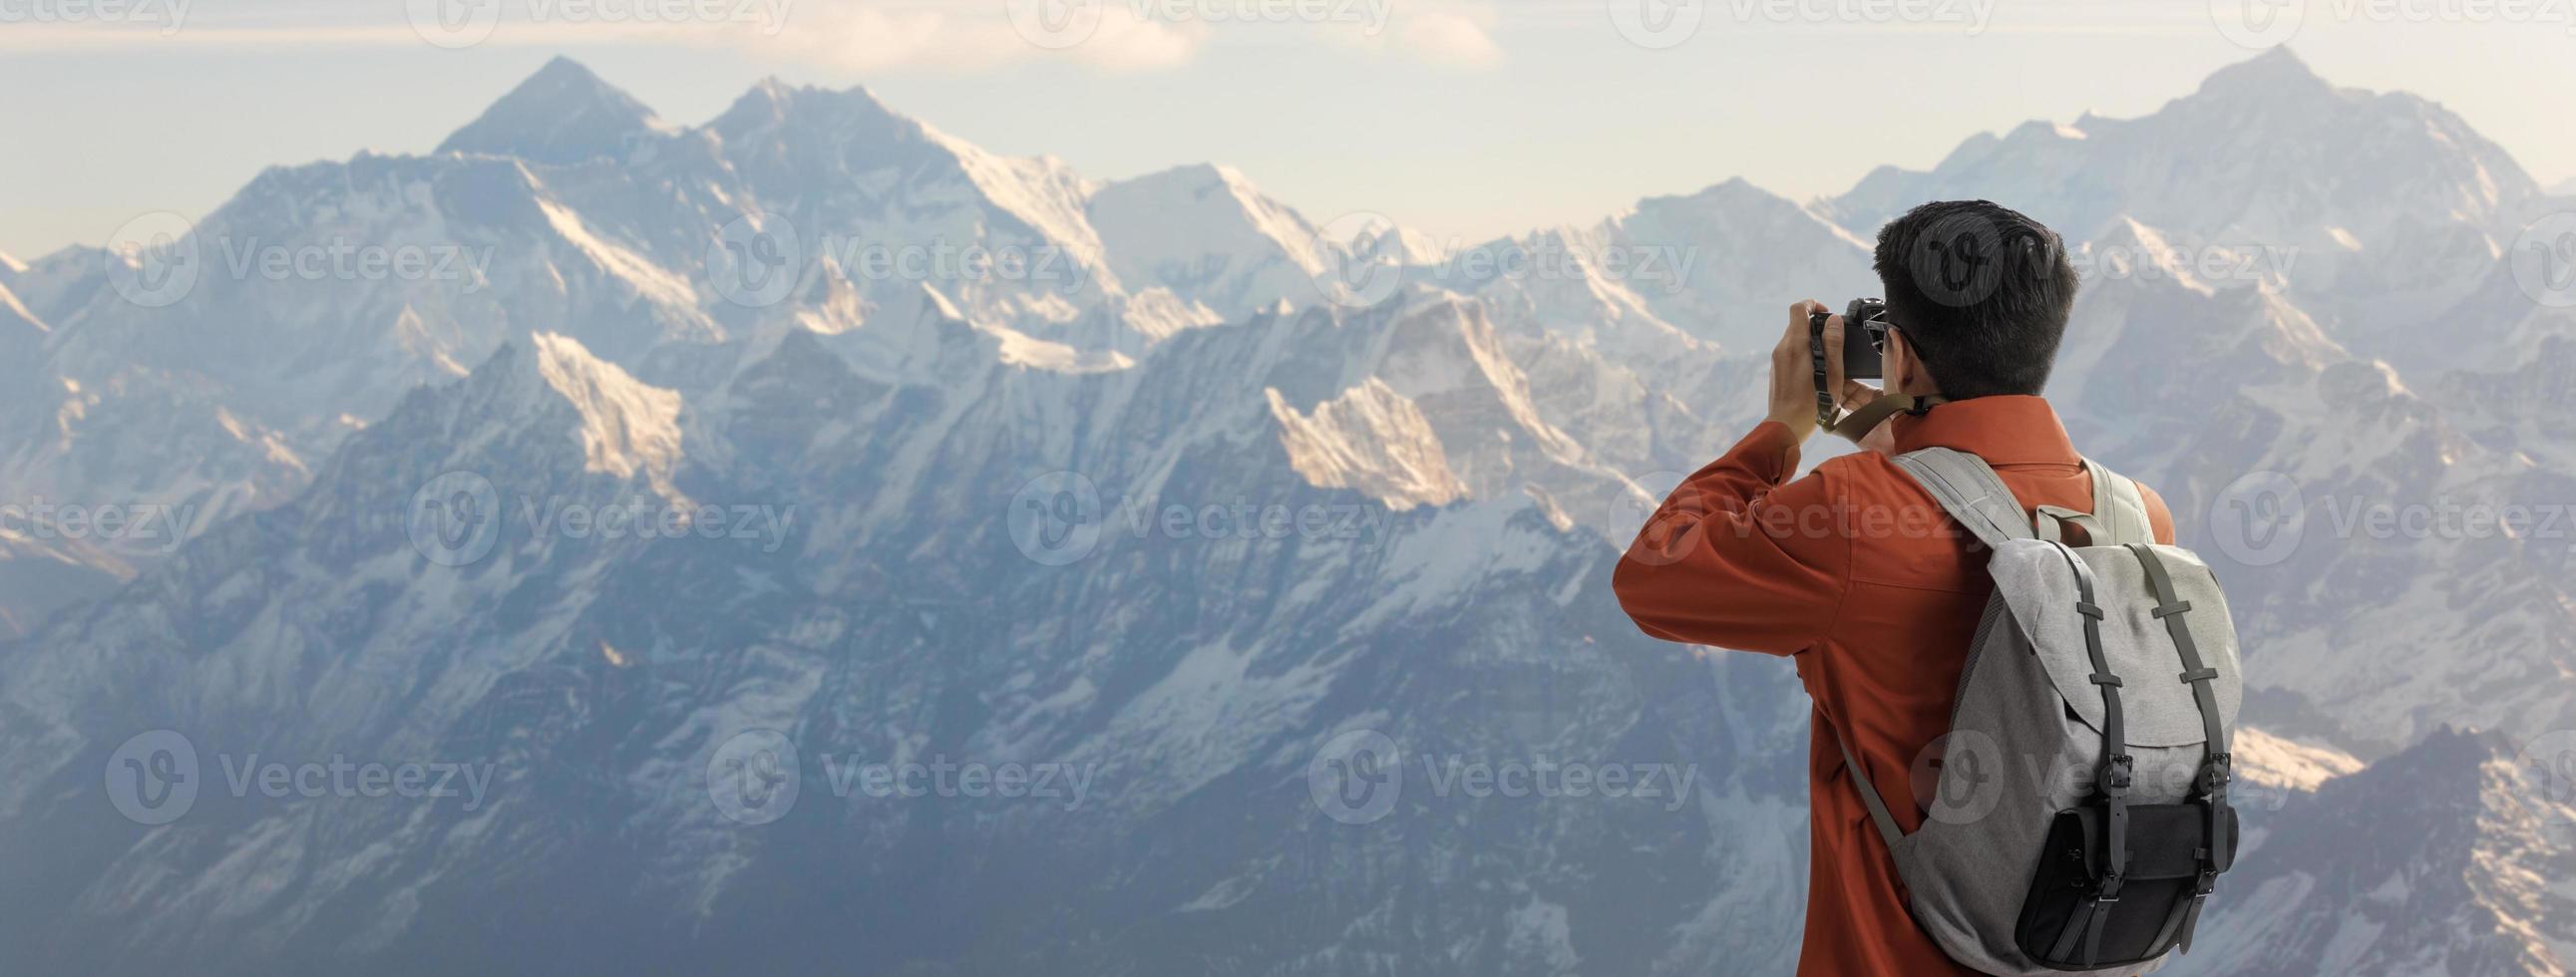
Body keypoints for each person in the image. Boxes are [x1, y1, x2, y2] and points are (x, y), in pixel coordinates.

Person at [1612, 200, 2178, 976]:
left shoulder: (1845, 514)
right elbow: (1965, 514)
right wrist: (1893, 432)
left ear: (1899, 355)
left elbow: (1653, 576)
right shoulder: (2137, 519)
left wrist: (1782, 426)